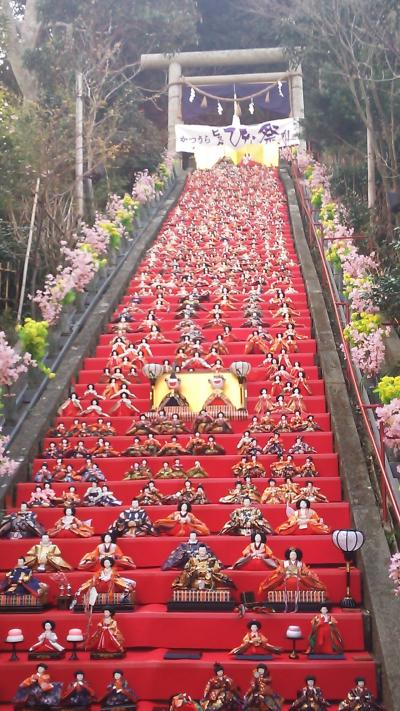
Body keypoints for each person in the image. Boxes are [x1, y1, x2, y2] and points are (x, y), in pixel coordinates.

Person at [259, 548, 327, 611]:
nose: (293, 556)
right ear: (289, 555)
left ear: (297, 556)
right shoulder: (284, 563)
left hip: (298, 579)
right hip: (286, 578)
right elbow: (279, 571)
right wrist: (285, 573)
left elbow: (305, 571)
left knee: (305, 582)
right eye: (291, 555)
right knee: (279, 582)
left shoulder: (301, 564)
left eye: (294, 555)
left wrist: (305, 573)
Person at [71, 557, 136, 608]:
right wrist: (99, 578)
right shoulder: (101, 571)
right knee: (92, 583)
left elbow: (116, 577)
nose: (106, 564)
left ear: (110, 563)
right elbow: (98, 576)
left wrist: (109, 578)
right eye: (105, 563)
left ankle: (123, 594)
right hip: (101, 582)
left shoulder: (113, 571)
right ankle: (82, 595)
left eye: (107, 563)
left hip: (111, 582)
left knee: (117, 582)